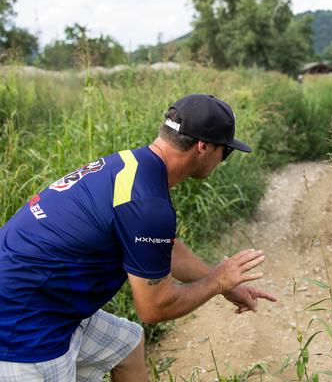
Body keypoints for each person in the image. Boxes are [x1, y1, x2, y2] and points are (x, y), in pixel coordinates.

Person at [0, 94, 277, 381]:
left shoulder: (128, 165)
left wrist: (223, 284)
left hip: (36, 296)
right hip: (23, 329)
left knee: (126, 344)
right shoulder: (147, 204)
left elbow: (162, 247)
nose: (223, 159)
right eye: (226, 151)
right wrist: (217, 280)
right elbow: (155, 307)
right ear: (203, 147)